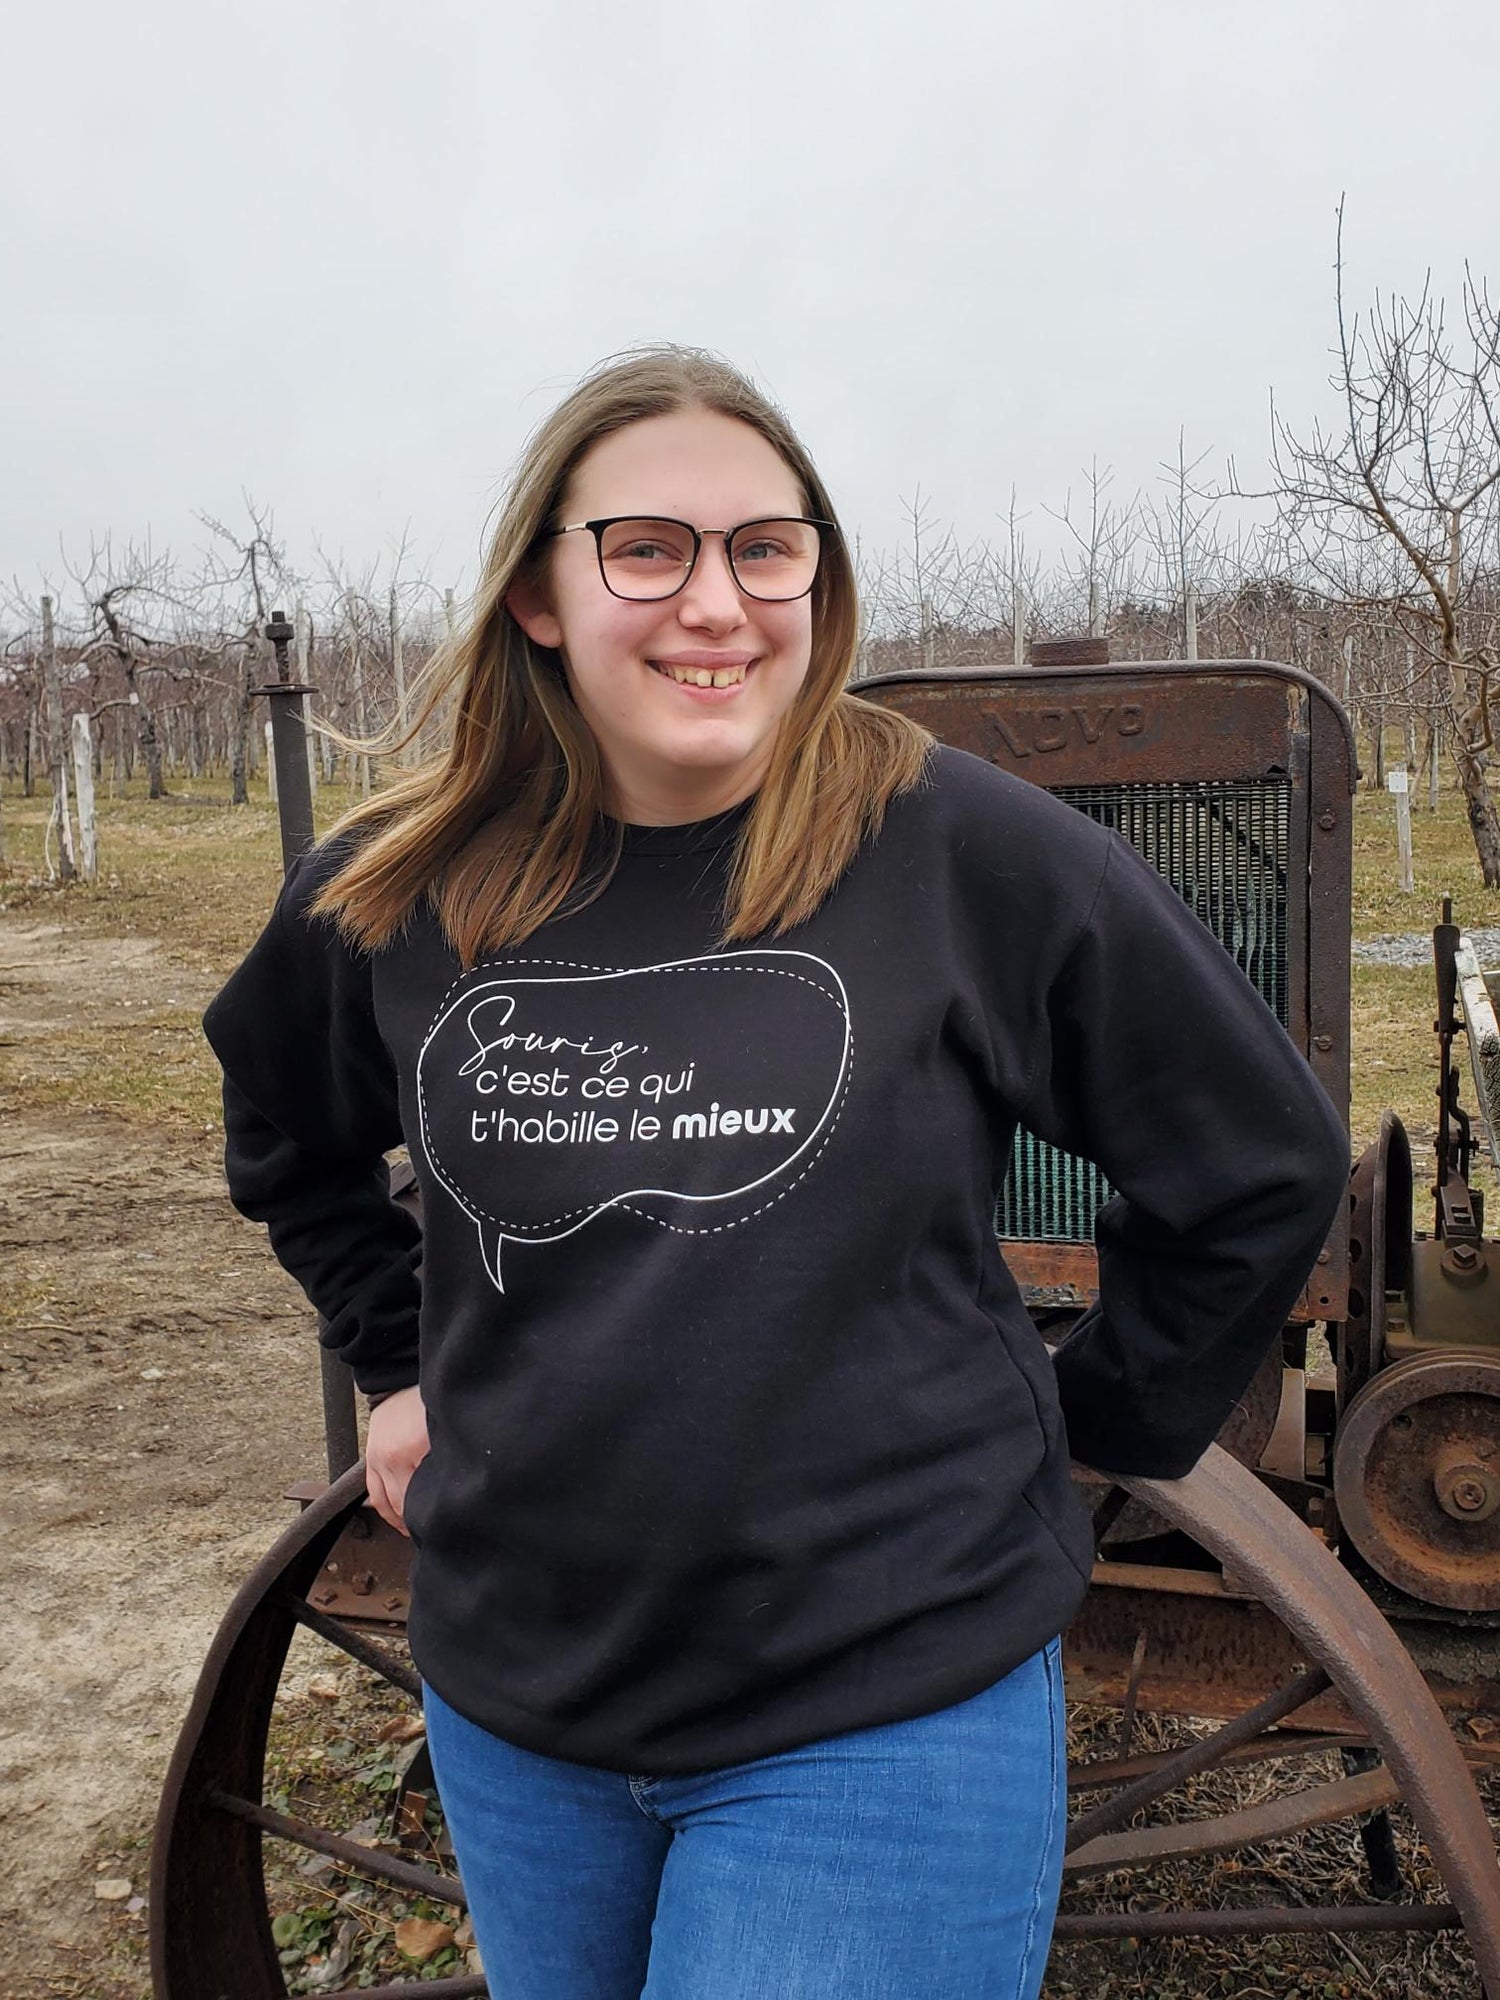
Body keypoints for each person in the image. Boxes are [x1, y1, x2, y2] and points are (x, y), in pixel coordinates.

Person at [203, 346, 1350, 2000]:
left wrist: (1090, 1421)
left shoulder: (960, 851)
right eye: (647, 547)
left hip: (879, 1712)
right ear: (542, 590)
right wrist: (394, 1358)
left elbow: (1254, 1159)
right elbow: (288, 1137)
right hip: (524, 1710)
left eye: (767, 546)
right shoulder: (409, 887)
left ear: (819, 572)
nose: (718, 604)